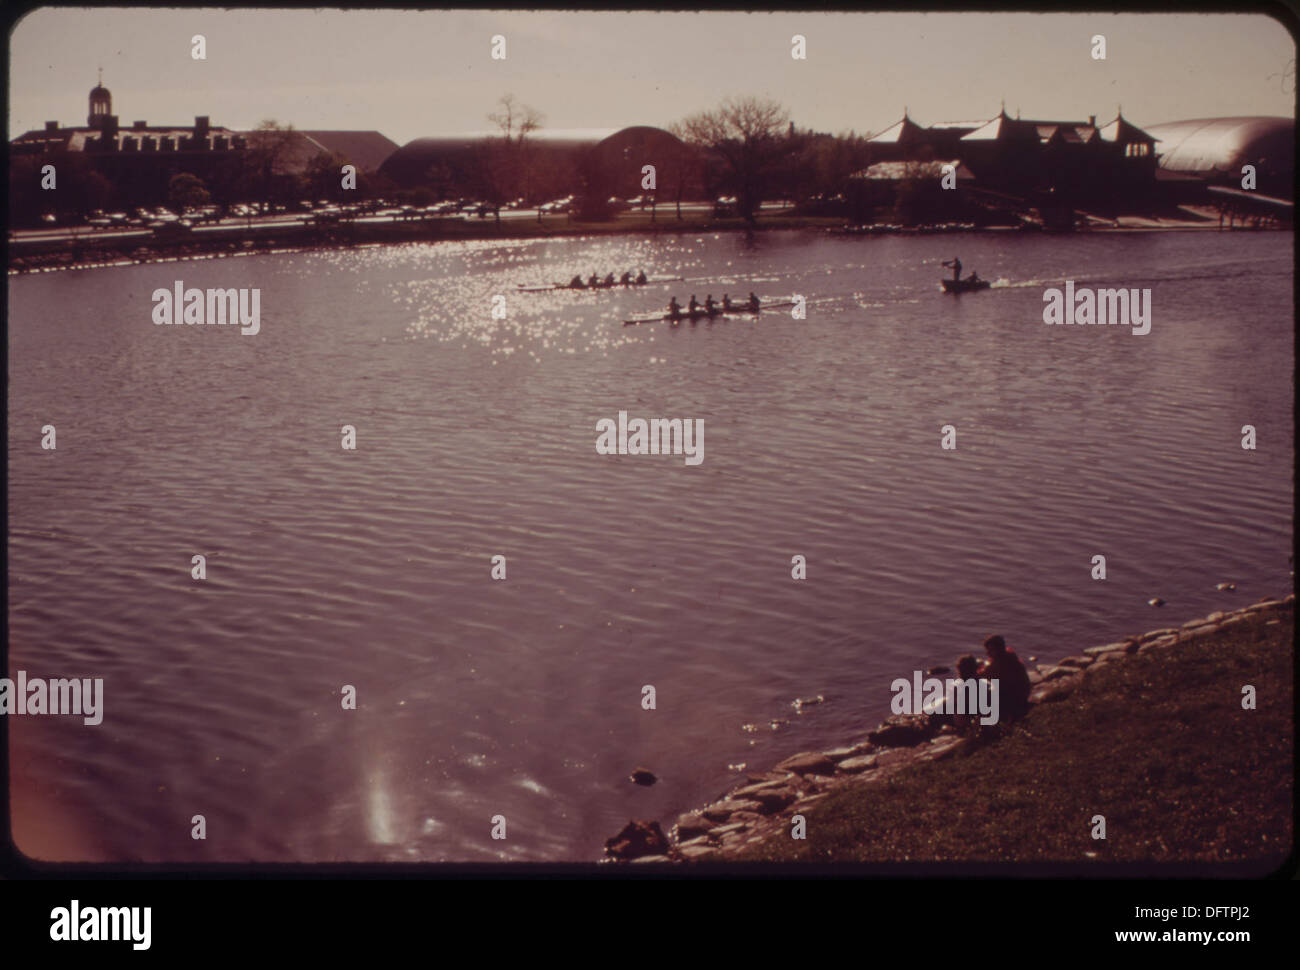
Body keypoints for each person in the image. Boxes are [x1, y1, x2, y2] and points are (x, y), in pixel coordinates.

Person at [978, 635, 1032, 725]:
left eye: (990, 650)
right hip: (1022, 694)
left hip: (1013, 699)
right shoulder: (1010, 655)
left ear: (998, 649)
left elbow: (981, 675)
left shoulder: (999, 664)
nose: (987, 653)